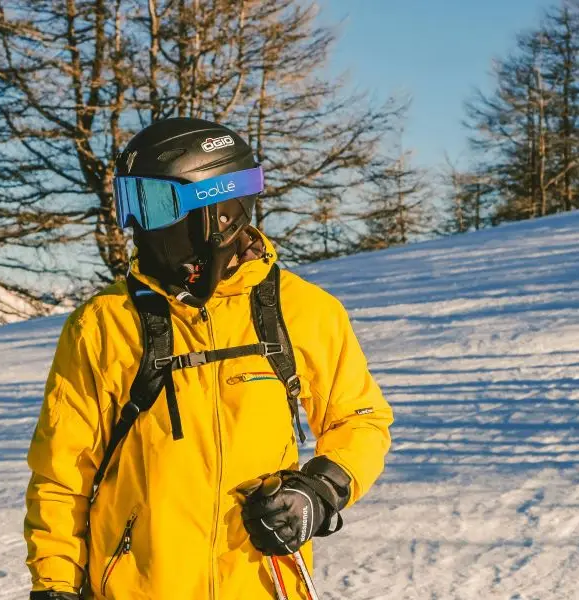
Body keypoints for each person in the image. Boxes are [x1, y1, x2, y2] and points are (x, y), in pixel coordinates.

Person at [24, 117, 394, 600]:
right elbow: (60, 475)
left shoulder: (305, 313)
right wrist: (54, 587)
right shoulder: (102, 324)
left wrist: (317, 492)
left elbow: (361, 420)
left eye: (153, 205)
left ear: (217, 210)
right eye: (129, 203)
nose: (136, 226)